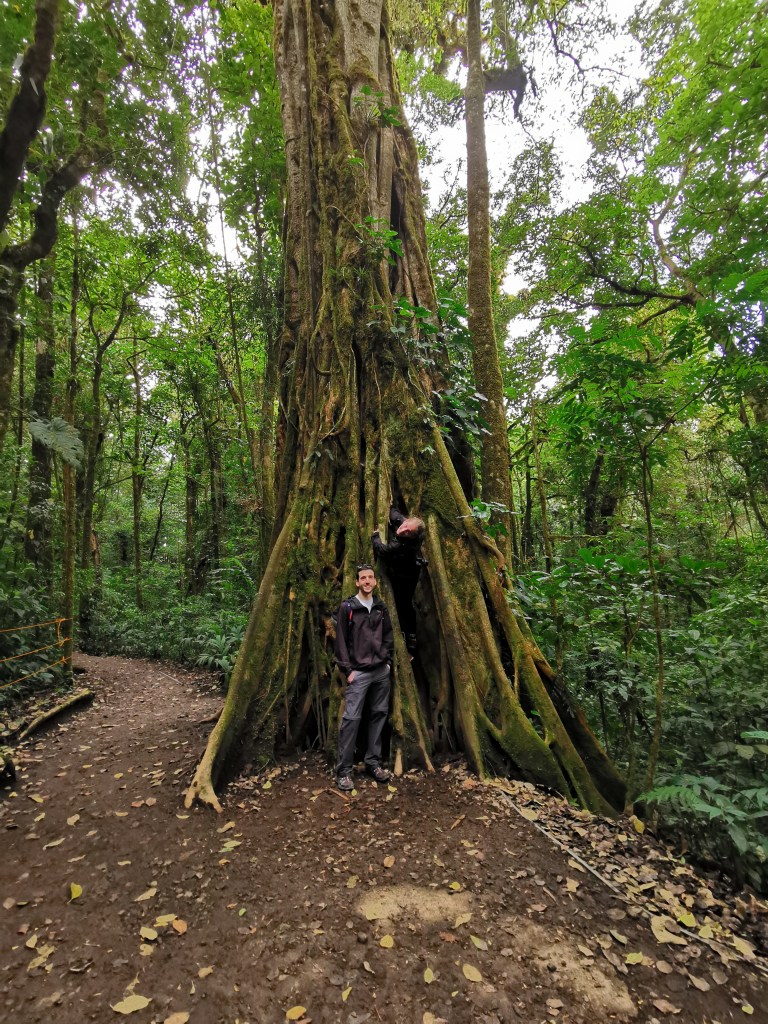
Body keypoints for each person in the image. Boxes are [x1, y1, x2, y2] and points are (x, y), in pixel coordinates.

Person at [334, 564, 394, 792]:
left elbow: (388, 635)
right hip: (358, 673)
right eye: (363, 578)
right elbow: (340, 640)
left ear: (375, 581)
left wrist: (388, 663)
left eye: (370, 577)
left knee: (378, 715)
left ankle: (373, 763)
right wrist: (347, 670)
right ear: (357, 582)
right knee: (351, 719)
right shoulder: (348, 607)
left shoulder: (380, 607)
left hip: (380, 671)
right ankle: (344, 771)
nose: (367, 581)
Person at [372, 506, 426, 656]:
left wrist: (375, 536)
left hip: (407, 577)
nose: (404, 530)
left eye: (408, 532)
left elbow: (383, 551)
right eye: (406, 525)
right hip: (401, 570)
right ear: (407, 520)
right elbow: (395, 514)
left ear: (412, 536)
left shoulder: (403, 545)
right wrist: (389, 508)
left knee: (404, 604)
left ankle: (410, 636)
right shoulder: (405, 523)